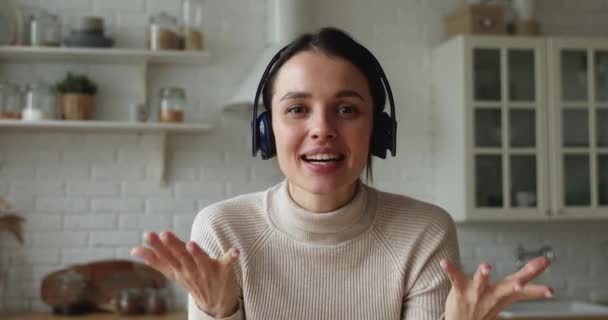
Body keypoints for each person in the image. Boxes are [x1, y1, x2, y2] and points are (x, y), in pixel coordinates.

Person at [131, 27, 552, 320]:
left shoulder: (423, 232)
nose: (322, 129)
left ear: (378, 130)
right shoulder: (222, 230)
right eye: (297, 109)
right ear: (266, 130)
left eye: (347, 109)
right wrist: (219, 312)